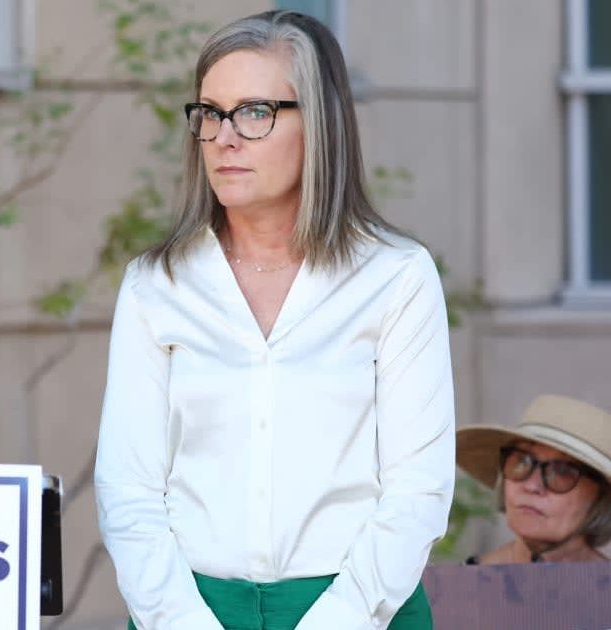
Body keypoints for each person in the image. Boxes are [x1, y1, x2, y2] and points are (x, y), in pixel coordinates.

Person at [93, 10, 454, 630]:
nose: (225, 137)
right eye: (210, 113)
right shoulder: (157, 285)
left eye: (255, 112)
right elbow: (128, 491)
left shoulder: (396, 277)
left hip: (361, 610)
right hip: (187, 610)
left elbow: (417, 492)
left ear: (320, 124)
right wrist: (181, 621)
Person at [456, 394, 611, 565]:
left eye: (562, 471)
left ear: (601, 498)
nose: (531, 486)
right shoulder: (452, 586)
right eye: (521, 461)